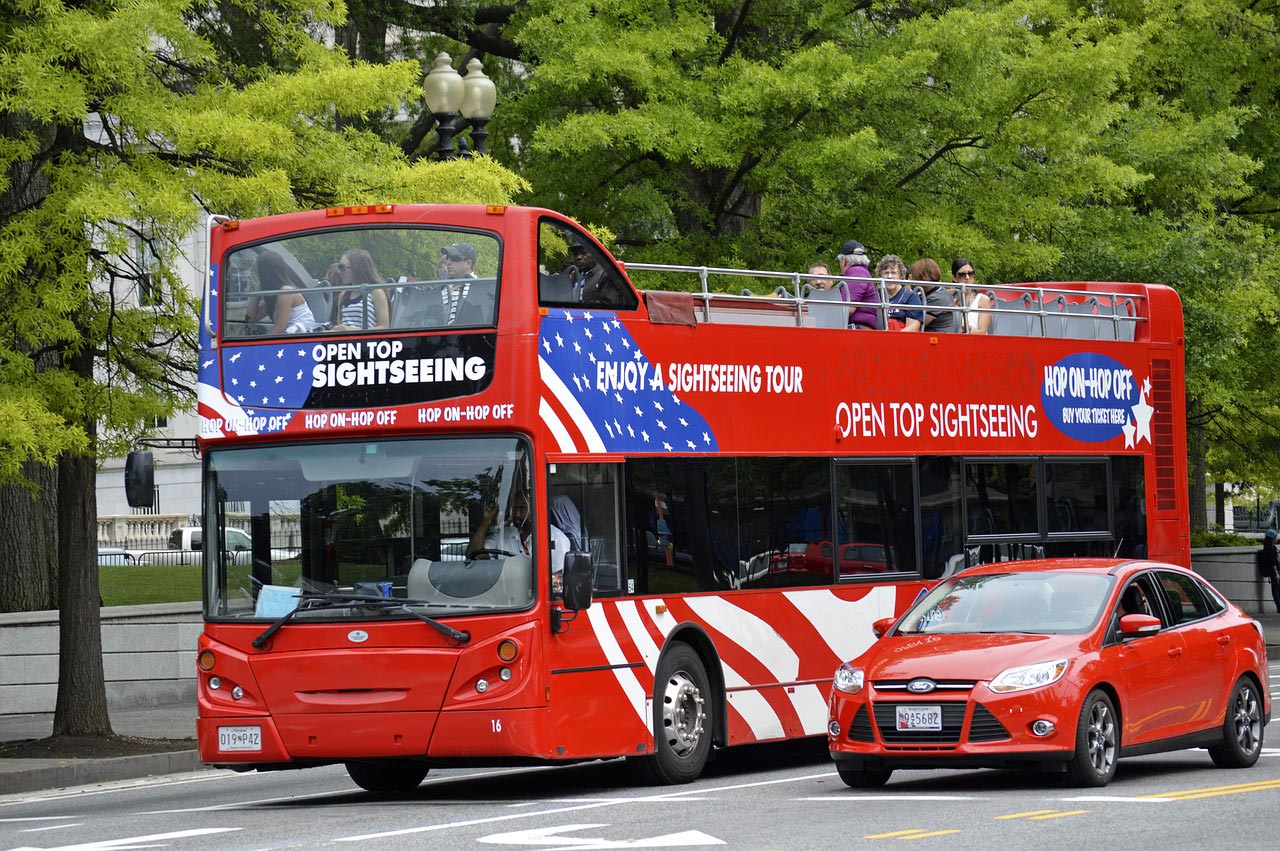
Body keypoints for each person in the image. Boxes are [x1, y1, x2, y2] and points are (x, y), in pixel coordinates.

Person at [468, 489, 572, 578]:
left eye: (522, 509)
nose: (516, 514)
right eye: (514, 509)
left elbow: (557, 581)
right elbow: (473, 554)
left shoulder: (557, 539)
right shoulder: (504, 535)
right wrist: (486, 521)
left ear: (536, 509)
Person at [244, 251, 318, 334]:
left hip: (301, 339)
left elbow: (279, 329)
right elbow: (250, 320)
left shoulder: (286, 292)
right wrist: (258, 292)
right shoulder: (274, 296)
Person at [332, 248, 390, 331]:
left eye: (342, 267)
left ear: (357, 268)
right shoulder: (343, 295)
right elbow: (340, 325)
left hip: (368, 342)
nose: (339, 271)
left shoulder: (376, 293)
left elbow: (384, 327)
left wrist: (352, 331)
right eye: (339, 267)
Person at [835, 240, 880, 330]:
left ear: (843, 260)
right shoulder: (862, 272)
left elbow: (848, 308)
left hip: (857, 331)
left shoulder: (856, 272)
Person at [877, 255, 923, 332]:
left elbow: (913, 327)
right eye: (886, 273)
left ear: (901, 276)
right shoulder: (875, 296)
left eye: (894, 273)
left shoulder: (911, 296)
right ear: (880, 276)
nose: (889, 276)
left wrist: (893, 339)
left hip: (902, 339)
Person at [910, 258, 957, 333]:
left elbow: (918, 324)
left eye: (916, 276)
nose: (914, 279)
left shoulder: (937, 298)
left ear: (925, 276)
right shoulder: (932, 291)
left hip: (940, 339)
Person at [438, 242, 479, 325]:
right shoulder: (441, 287)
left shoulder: (478, 290)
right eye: (447, 257)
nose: (448, 262)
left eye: (454, 258)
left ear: (468, 263)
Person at [953, 257, 992, 334]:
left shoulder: (982, 299)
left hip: (977, 342)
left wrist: (967, 330)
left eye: (970, 273)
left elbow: (982, 332)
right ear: (954, 278)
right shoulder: (950, 300)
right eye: (962, 274)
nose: (967, 277)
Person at [1259, 530, 1280, 613]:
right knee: (1276, 590)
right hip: (1275, 572)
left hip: (1274, 572)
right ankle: (1279, 606)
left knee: (1276, 589)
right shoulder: (1271, 549)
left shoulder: (1268, 548)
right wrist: (1277, 574)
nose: (1277, 539)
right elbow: (1273, 562)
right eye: (1276, 537)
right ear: (1272, 538)